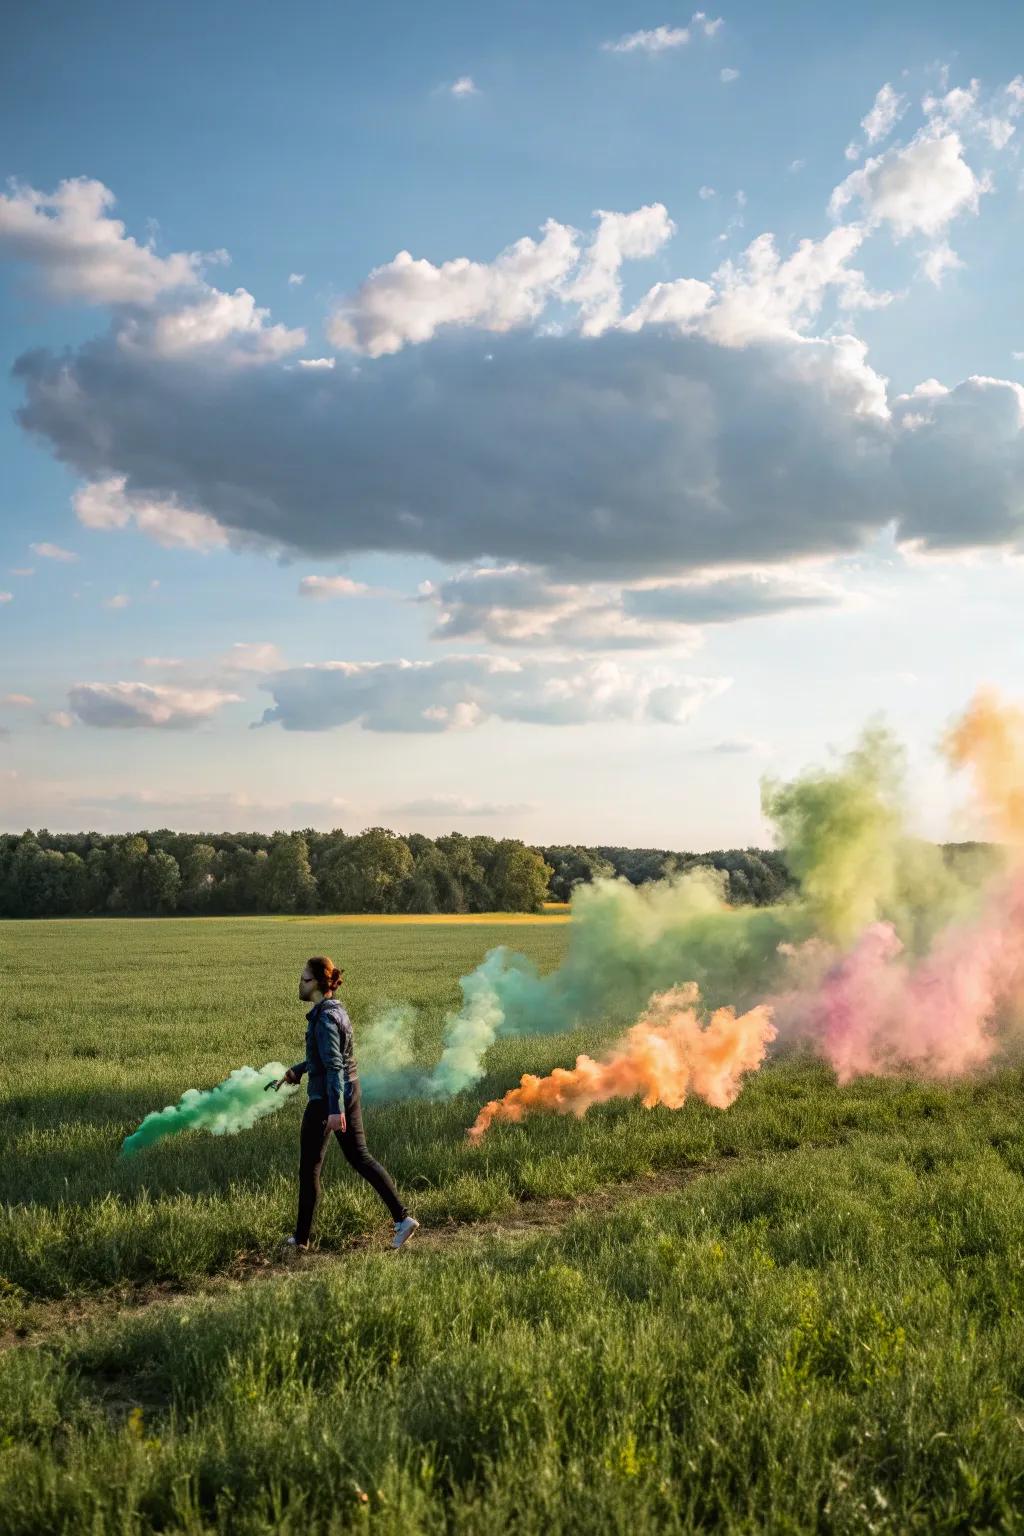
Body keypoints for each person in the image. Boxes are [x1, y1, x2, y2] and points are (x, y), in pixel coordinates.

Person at [278, 955, 418, 1252]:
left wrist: (334, 1110)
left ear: (316, 984)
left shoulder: (326, 1018)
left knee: (310, 1168)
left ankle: (301, 1240)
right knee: (359, 1158)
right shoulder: (334, 1010)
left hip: (328, 1097)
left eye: (304, 979)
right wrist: (297, 1070)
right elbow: (327, 1058)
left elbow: (333, 1065)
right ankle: (403, 1220)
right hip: (348, 1089)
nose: (299, 985)